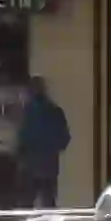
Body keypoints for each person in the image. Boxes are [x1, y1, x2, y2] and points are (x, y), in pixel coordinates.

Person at [17, 77, 70, 209]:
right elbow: (64, 139)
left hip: (30, 165)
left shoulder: (27, 113)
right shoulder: (56, 112)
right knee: (49, 203)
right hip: (50, 166)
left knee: (26, 205)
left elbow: (23, 138)